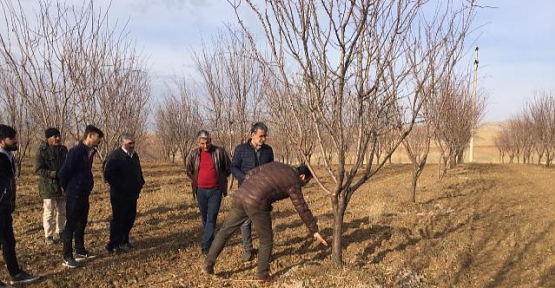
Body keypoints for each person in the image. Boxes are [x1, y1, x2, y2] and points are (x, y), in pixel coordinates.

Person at [204, 161, 328, 282]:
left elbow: (250, 173)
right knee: (266, 240)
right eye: (307, 181)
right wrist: (314, 231)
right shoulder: (294, 181)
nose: (305, 184)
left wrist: (249, 189)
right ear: (302, 176)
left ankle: (208, 264)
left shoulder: (276, 164)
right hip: (257, 204)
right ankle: (263, 275)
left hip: (240, 196)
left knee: (225, 232)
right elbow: (301, 207)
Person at [0, 124, 41, 285]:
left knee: (8, 242)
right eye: (12, 139)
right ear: (2, 141)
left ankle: (15, 274)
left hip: (4, 209)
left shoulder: (8, 156)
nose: (16, 141)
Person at [58, 125, 104, 268]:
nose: (99, 141)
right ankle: (67, 256)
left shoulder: (90, 152)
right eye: (98, 138)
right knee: (71, 224)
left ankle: (80, 251)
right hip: (74, 193)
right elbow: (64, 173)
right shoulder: (76, 151)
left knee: (81, 222)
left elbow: (85, 171)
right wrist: (69, 188)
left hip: (84, 192)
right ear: (90, 135)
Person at [231, 122, 274, 261]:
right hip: (246, 191)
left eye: (265, 136)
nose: (264, 139)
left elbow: (271, 169)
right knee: (245, 222)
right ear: (252, 135)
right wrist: (244, 178)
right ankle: (248, 250)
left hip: (263, 192)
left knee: (264, 222)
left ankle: (265, 251)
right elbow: (234, 167)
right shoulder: (241, 149)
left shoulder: (268, 150)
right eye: (261, 136)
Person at [186, 130, 231, 255]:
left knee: (211, 217)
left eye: (207, 143)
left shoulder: (219, 152)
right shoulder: (194, 154)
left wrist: (220, 179)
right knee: (205, 218)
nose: (205, 146)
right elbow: (189, 170)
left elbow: (228, 168)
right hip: (200, 190)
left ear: (211, 140)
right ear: (198, 142)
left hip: (215, 190)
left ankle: (205, 245)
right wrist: (197, 179)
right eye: (202, 143)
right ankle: (210, 239)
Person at [103, 133, 145, 254]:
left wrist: (141, 181)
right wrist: (121, 186)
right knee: (118, 220)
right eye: (129, 143)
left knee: (129, 219)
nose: (132, 145)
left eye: (133, 143)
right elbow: (108, 175)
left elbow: (138, 169)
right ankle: (113, 244)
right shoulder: (115, 156)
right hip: (119, 195)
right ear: (123, 143)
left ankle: (124, 240)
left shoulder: (134, 155)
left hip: (132, 194)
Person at [35, 127, 68, 245]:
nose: (58, 138)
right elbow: (38, 169)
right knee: (49, 212)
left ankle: (61, 231)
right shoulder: (42, 150)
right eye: (55, 136)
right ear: (48, 138)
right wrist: (54, 174)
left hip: (62, 185)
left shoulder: (63, 149)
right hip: (48, 186)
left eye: (59, 136)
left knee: (62, 210)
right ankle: (48, 235)